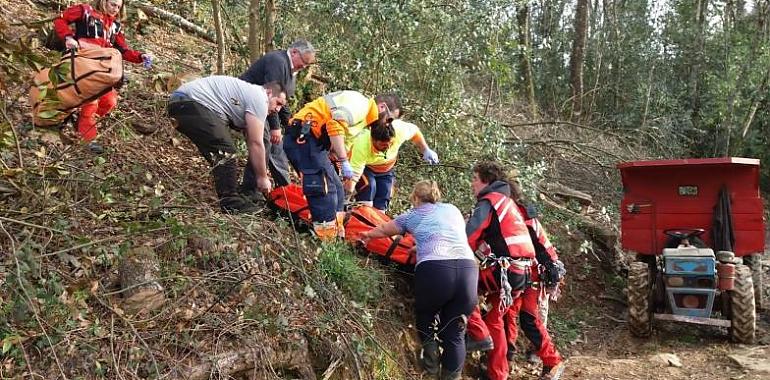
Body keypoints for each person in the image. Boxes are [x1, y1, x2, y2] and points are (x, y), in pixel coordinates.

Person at [359, 180, 477, 380]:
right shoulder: (452, 209)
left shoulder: (412, 215)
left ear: (415, 198)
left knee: (426, 316)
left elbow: (385, 230)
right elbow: (447, 234)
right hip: (468, 270)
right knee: (455, 333)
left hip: (436, 270)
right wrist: (421, 246)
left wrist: (367, 235)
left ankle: (430, 369)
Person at [465, 161, 564, 380]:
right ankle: (501, 365)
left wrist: (551, 272)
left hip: (533, 272)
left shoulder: (510, 207)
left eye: (475, 179)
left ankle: (551, 361)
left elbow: (536, 244)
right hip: (523, 271)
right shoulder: (512, 206)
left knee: (527, 319)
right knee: (504, 317)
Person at [283, 90, 398, 240]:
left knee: (338, 189)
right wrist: (343, 161)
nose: (387, 124)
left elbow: (344, 142)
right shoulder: (361, 105)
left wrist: (342, 164)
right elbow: (335, 124)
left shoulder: (363, 120)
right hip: (304, 135)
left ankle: (337, 232)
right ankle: (325, 239)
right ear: (382, 107)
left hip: (315, 143)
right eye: (389, 120)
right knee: (324, 189)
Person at [167, 76, 287, 213]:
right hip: (190, 103)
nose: (278, 109)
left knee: (220, 152)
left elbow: (252, 140)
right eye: (278, 103)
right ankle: (230, 202)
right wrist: (262, 178)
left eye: (281, 106)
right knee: (225, 150)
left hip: (182, 104)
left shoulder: (249, 95)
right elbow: (256, 143)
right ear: (269, 92)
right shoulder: (260, 98)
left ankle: (237, 196)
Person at [53, 0, 153, 154]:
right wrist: (68, 37)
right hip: (83, 63)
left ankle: (79, 120)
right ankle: (87, 139)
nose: (115, 9)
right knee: (91, 102)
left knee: (109, 102)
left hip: (103, 69)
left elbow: (124, 50)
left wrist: (141, 56)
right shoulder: (84, 11)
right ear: (103, 1)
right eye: (113, 4)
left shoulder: (115, 26)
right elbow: (60, 19)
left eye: (119, 6)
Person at [239, 39, 317, 199]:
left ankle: (284, 191)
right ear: (294, 52)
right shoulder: (278, 61)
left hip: (266, 109)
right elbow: (271, 95)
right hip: (247, 103)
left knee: (278, 147)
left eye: (307, 65)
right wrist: (275, 127)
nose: (303, 67)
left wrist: (291, 124)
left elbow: (283, 102)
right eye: (303, 62)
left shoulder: (291, 72)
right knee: (264, 141)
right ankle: (249, 190)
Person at [345, 115, 439, 210]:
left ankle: (378, 221)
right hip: (366, 168)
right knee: (368, 189)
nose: (387, 148)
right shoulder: (362, 144)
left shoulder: (399, 130)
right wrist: (346, 196)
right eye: (382, 146)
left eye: (389, 144)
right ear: (373, 140)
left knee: (384, 195)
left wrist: (425, 150)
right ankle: (362, 218)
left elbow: (415, 132)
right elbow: (354, 177)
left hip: (386, 169)